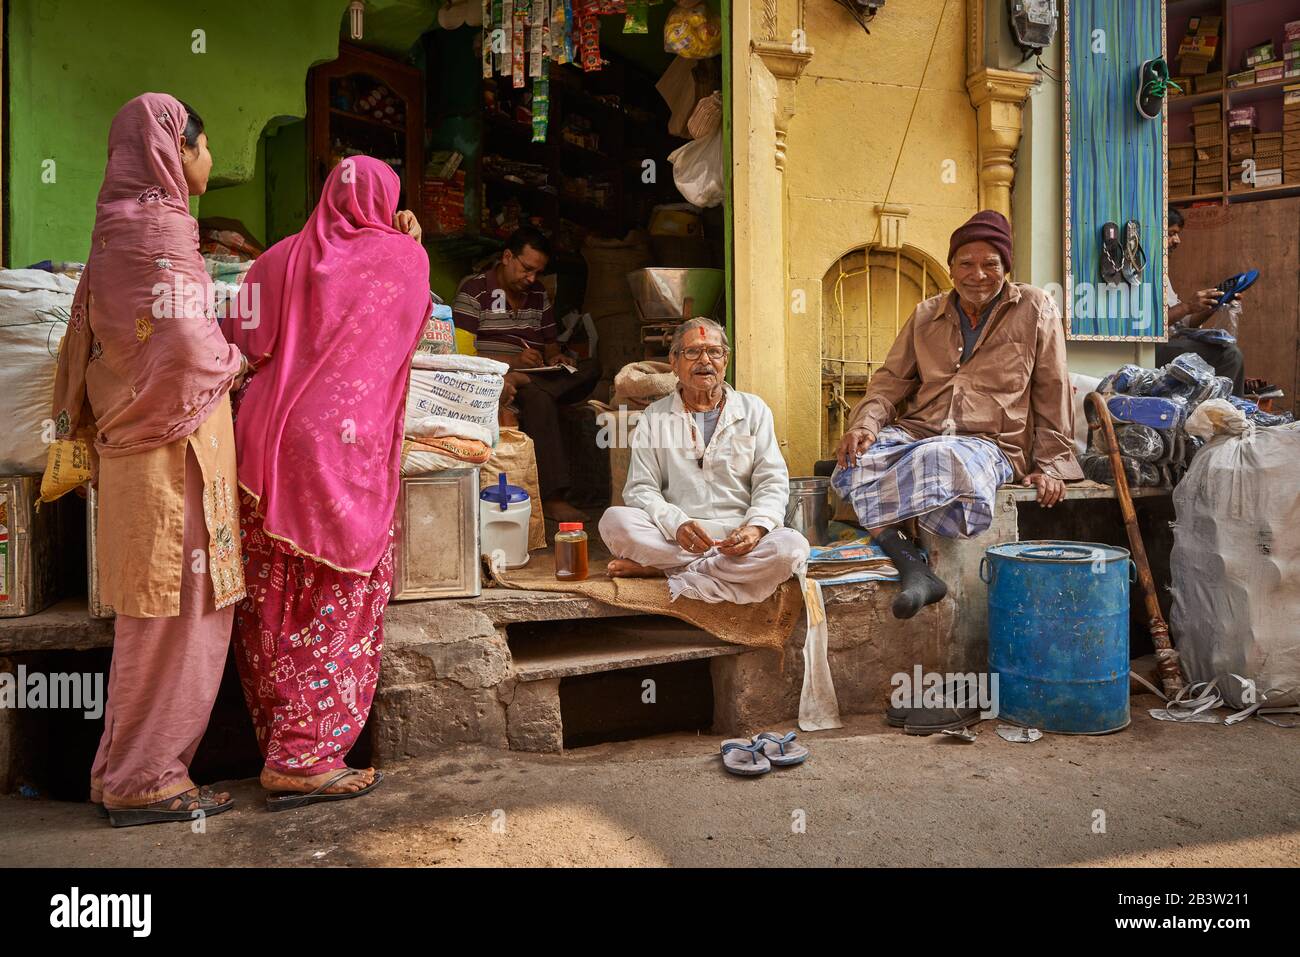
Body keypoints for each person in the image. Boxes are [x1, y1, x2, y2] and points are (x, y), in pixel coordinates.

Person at [48, 93, 246, 826]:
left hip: (136, 450)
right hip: (176, 451)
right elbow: (188, 348)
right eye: (204, 146)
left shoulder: (114, 226)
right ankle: (149, 778)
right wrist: (235, 362)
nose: (208, 161)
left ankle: (122, 770)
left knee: (149, 615)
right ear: (176, 146)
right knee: (183, 614)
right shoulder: (163, 227)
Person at [226, 156, 429, 810]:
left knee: (271, 596)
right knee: (335, 600)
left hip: (263, 444)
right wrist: (407, 242)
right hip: (344, 451)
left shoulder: (279, 258)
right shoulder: (404, 259)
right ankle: (304, 756)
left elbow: (238, 340)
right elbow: (409, 326)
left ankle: (279, 743)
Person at [833, 209, 1081, 621]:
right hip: (921, 431)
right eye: (966, 263)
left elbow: (1052, 388)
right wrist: (865, 425)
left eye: (990, 264)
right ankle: (913, 565)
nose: (978, 274)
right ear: (950, 269)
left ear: (1006, 267)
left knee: (940, 459)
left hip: (990, 442)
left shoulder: (1036, 307)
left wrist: (1050, 464)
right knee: (849, 463)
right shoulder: (925, 315)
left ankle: (910, 560)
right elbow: (891, 380)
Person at [599, 317, 809, 604]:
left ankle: (666, 569)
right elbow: (640, 488)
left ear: (726, 360)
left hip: (739, 537)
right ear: (674, 362)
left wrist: (756, 528)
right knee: (614, 521)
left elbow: (771, 480)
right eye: (693, 352)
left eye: (714, 352)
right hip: (679, 537)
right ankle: (708, 569)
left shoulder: (754, 410)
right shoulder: (654, 416)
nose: (705, 360)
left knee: (792, 548)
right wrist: (677, 524)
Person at [452, 226, 600, 523]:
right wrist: (512, 362)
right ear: (508, 257)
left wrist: (554, 358)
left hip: (532, 374)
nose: (531, 278)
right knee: (539, 398)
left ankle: (533, 381)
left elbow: (550, 345)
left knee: (592, 367)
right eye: (527, 269)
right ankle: (554, 498)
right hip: (493, 376)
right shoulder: (475, 289)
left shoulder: (538, 294)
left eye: (538, 272)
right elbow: (461, 355)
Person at [1157, 206, 1246, 396]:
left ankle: (1219, 411)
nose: (1177, 240)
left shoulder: (1161, 273)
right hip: (1150, 350)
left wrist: (1215, 303)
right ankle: (1225, 415)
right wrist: (1187, 306)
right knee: (1229, 355)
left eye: (1177, 234)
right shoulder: (1142, 273)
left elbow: (1182, 323)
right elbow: (1150, 326)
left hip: (1173, 340)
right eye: (1171, 234)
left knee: (1226, 347)